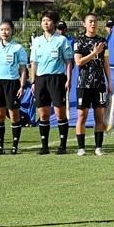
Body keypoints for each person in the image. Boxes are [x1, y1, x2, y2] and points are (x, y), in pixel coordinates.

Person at [30, 11, 73, 155]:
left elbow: (68, 61)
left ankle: (62, 145)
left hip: (57, 79)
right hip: (41, 79)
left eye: (48, 21)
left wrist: (68, 79)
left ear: (54, 23)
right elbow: (34, 63)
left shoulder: (61, 40)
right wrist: (33, 82)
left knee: (59, 113)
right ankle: (44, 146)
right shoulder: (37, 41)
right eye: (43, 21)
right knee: (43, 114)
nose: (45, 23)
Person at [73, 13, 113, 157]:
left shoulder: (103, 41)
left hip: (99, 85)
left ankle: (98, 147)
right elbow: (78, 62)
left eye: (95, 21)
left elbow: (106, 64)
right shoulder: (79, 41)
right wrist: (94, 53)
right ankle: (81, 147)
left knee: (99, 117)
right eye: (90, 21)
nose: (93, 24)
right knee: (82, 116)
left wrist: (109, 82)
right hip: (83, 84)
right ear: (84, 24)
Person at [0, 20, 28, 155]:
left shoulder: (18, 48)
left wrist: (22, 86)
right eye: (2, 30)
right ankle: (0, 147)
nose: (4, 32)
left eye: (7, 29)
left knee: (14, 115)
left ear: (12, 31)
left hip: (12, 83)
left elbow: (23, 69)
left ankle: (15, 146)